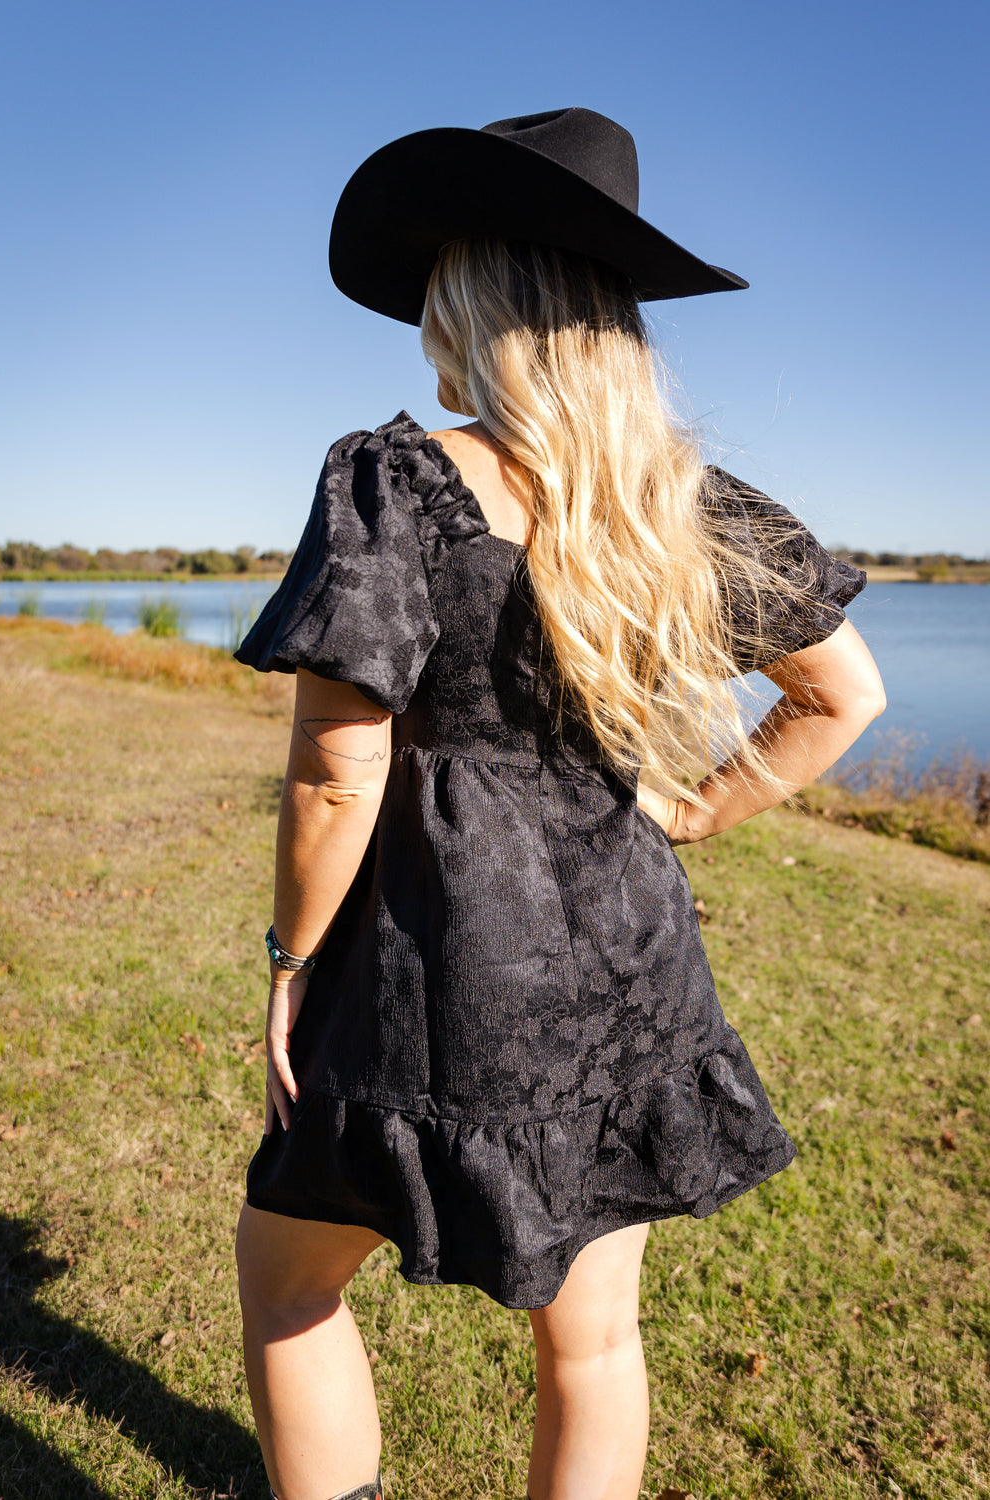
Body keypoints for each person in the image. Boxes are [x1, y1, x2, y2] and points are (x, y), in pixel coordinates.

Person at [233, 109, 886, 1500]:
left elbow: (339, 767)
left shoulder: (394, 476)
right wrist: (699, 812)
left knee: (290, 1282)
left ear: (475, 298)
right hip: (621, 962)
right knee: (591, 1346)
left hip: (423, 957)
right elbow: (845, 697)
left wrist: (292, 964)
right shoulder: (684, 498)